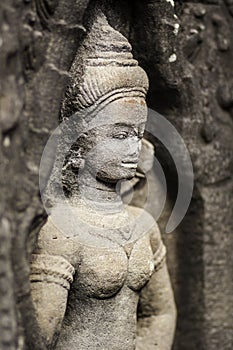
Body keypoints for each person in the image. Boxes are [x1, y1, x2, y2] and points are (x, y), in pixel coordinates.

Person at [30, 10, 176, 350]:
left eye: (138, 134)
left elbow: (161, 313)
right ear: (78, 144)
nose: (134, 146)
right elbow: (41, 335)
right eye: (119, 134)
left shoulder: (144, 225)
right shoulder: (61, 232)